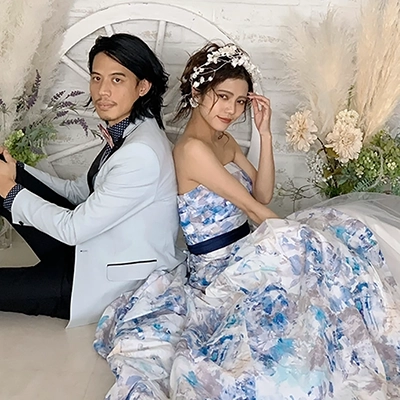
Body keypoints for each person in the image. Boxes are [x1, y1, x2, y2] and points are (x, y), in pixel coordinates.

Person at [94, 43, 400, 399]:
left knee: (339, 232)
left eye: (240, 101)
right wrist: (302, 238)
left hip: (247, 248)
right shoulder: (192, 150)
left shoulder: (223, 140)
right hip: (218, 268)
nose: (231, 109)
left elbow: (263, 194)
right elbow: (253, 209)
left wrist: (264, 134)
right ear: (197, 93)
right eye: (223, 97)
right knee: (314, 253)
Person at [0, 33, 184, 327]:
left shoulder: (140, 153)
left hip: (104, 279)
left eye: (117, 79)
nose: (102, 91)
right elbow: (78, 191)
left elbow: (73, 229)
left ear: (143, 86)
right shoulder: (132, 129)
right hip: (90, 248)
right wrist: (18, 170)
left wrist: (10, 191)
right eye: (97, 78)